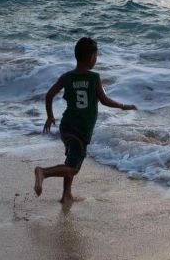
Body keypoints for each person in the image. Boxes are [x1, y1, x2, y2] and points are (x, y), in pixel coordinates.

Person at [32, 37, 137, 204]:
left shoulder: (67, 77)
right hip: (80, 130)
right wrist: (123, 106)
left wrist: (50, 116)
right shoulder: (94, 78)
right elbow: (104, 100)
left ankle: (67, 195)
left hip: (66, 127)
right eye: (96, 56)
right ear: (91, 58)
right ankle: (43, 172)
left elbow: (49, 95)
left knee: (71, 159)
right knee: (73, 168)